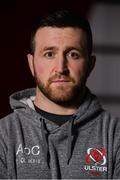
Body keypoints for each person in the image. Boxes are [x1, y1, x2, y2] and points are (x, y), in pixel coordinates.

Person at [0, 10, 120, 179]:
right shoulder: (3, 135)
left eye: (73, 54)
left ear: (90, 65)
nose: (61, 68)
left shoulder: (115, 135)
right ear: (31, 64)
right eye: (49, 54)